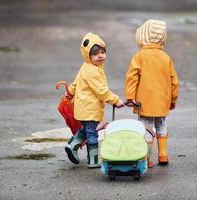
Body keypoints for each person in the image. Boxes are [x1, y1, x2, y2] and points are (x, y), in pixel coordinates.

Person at [65, 32, 124, 168]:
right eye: (96, 53)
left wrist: (70, 92)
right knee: (92, 134)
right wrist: (115, 100)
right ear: (88, 55)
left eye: (103, 52)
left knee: (87, 129)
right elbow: (101, 91)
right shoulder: (93, 71)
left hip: (82, 107)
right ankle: (93, 160)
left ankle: (72, 145)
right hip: (89, 108)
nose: (100, 55)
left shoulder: (86, 66)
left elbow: (76, 82)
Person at [125, 19, 179, 167]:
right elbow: (174, 80)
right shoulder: (166, 58)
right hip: (162, 100)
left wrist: (130, 96)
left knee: (146, 127)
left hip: (144, 101)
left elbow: (132, 77)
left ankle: (147, 158)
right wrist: (173, 99)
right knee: (161, 124)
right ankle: (163, 155)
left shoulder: (139, 57)